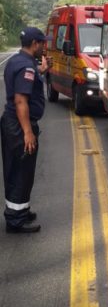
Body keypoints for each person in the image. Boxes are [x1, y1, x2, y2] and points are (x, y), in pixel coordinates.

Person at [1, 27, 50, 233]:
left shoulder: (18, 61)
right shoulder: (26, 67)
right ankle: (16, 220)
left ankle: (21, 210)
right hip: (19, 125)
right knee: (20, 172)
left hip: (13, 123)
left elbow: (23, 81)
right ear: (34, 44)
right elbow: (21, 100)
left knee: (21, 170)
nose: (44, 46)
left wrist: (41, 71)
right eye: (42, 43)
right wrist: (28, 132)